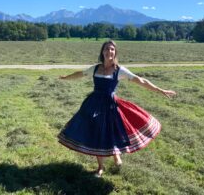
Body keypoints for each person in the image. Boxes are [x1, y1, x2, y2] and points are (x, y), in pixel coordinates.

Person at [58, 40, 176, 177]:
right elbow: (81, 74)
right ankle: (100, 167)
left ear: (115, 53)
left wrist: (160, 90)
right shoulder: (96, 68)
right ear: (102, 52)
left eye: (112, 49)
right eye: (107, 49)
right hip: (93, 105)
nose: (110, 51)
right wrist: (66, 78)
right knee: (97, 133)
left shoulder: (119, 70)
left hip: (111, 106)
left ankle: (116, 155)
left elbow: (141, 80)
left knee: (113, 131)